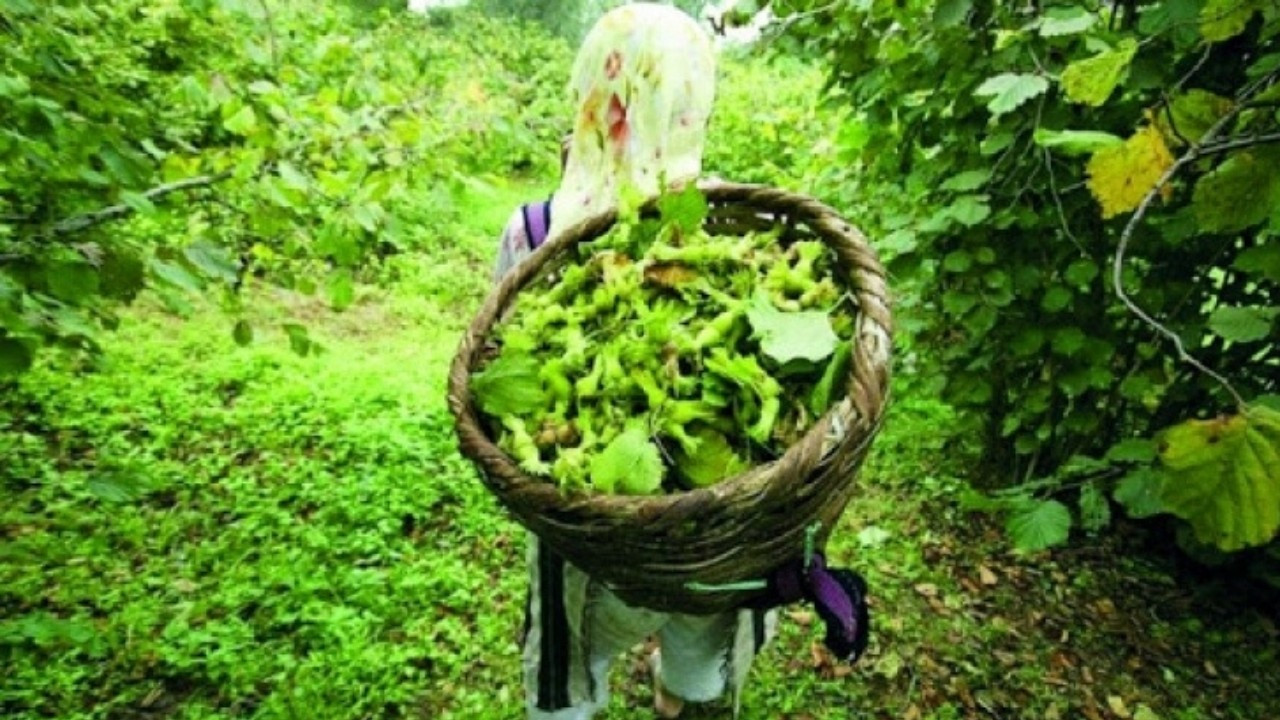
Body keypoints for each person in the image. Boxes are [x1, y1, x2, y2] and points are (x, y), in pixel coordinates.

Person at [490, 5, 779, 718]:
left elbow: (496, 377)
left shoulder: (531, 233)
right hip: (712, 544)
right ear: (694, 106)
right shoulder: (728, 226)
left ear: (589, 94)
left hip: (588, 544)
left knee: (567, 677)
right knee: (697, 678)